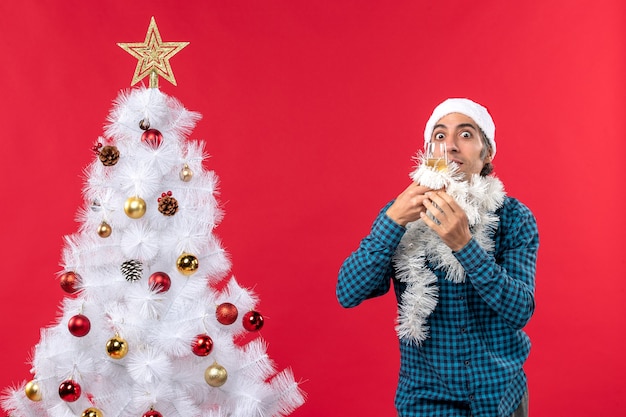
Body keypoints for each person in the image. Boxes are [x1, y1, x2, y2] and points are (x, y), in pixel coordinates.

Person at [336, 98, 539, 417]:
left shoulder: (514, 218)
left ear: (487, 153)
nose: (451, 146)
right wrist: (392, 221)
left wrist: (465, 245)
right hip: (427, 401)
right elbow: (348, 292)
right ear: (429, 152)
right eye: (440, 136)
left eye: (466, 135)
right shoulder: (401, 214)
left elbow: (520, 311)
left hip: (501, 397)